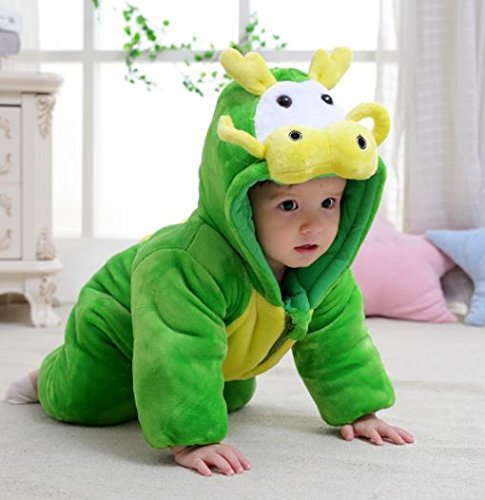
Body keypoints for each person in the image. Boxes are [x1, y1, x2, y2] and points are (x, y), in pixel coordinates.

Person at [5, 48, 413, 477]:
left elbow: (339, 344)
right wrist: (192, 437)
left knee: (232, 396)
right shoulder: (188, 266)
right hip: (118, 325)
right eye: (289, 205)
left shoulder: (323, 272)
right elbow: (179, 344)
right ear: (241, 203)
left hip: (221, 347)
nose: (314, 226)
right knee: (88, 401)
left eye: (329, 202)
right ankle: (44, 376)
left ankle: (180, 392)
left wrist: (361, 412)